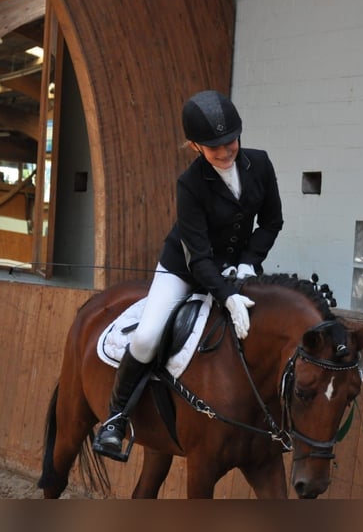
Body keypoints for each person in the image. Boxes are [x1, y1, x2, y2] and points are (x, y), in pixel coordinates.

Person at [92, 89, 284, 460]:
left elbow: (272, 221)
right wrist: (227, 295)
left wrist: (248, 263)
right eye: (216, 148)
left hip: (237, 267)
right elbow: (197, 257)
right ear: (195, 146)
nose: (227, 153)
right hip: (184, 269)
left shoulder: (259, 164)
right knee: (147, 337)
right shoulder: (190, 184)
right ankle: (116, 419)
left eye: (231, 142)